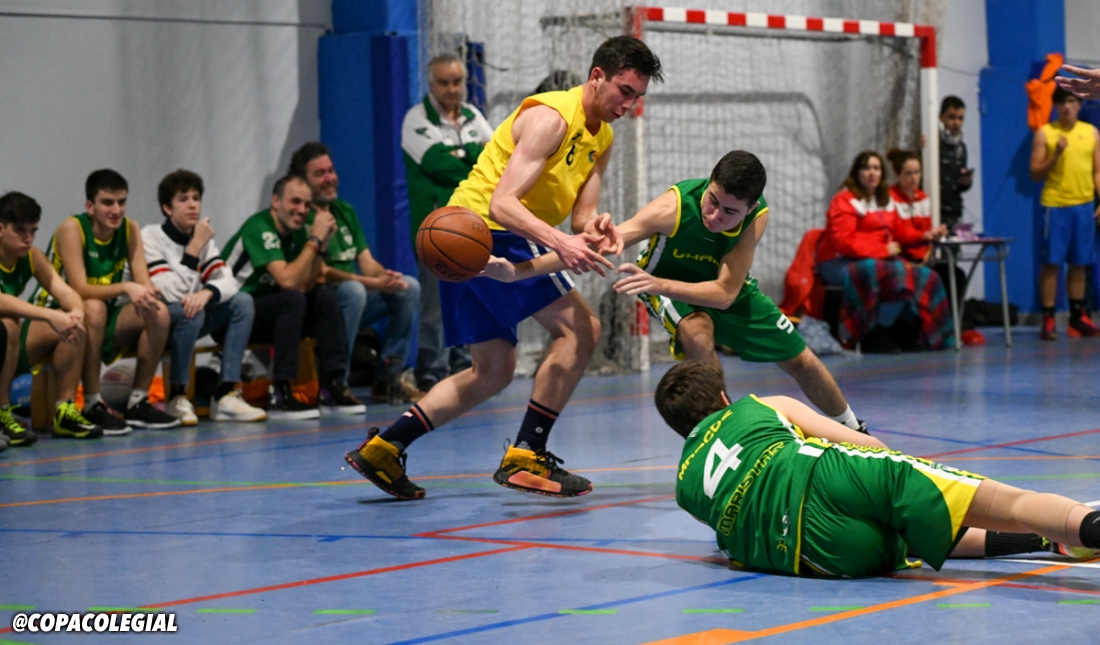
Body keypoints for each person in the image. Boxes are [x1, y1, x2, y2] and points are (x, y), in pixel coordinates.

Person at [344, 35, 662, 500]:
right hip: (483, 234)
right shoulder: (552, 118)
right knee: (582, 329)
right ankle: (527, 455)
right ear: (597, 77)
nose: (629, 105)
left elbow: (582, 217)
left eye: (638, 97)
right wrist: (560, 242)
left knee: (492, 371)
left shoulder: (604, 138)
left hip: (477, 239)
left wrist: (597, 227)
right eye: (624, 91)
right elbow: (504, 203)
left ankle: (384, 448)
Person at [488, 151, 868, 433]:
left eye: (729, 212)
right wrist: (517, 273)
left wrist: (659, 285)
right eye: (713, 200)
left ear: (750, 207)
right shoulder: (672, 208)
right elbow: (588, 248)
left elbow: (725, 293)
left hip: (715, 286)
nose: (714, 216)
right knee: (698, 334)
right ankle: (726, 434)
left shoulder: (757, 216)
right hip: (664, 285)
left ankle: (853, 428)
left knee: (802, 361)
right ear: (710, 182)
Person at [655, 360, 1100, 578]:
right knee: (1005, 502)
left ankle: (1043, 540)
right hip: (825, 477)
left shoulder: (684, 487)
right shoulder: (757, 405)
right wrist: (896, 472)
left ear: (681, 430)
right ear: (724, 400)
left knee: (907, 532)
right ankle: (1083, 526)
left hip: (821, 555)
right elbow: (860, 444)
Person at [34, 169, 178, 434]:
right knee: (94, 307)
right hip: (56, 315)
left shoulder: (130, 228)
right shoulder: (72, 228)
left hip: (100, 315)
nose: (116, 210)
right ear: (90, 206)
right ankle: (92, 403)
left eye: (121, 202)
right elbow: (79, 288)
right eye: (108, 203)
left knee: (157, 311)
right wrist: (126, 287)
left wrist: (150, 292)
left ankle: (138, 402)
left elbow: (142, 282)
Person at [289, 142, 420, 408]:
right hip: (318, 306)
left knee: (409, 288)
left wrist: (387, 277)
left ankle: (387, 380)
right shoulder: (301, 217)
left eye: (331, 170)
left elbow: (367, 262)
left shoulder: (343, 210)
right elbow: (321, 274)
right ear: (303, 181)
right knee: (354, 292)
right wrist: (372, 282)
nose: (329, 178)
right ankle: (336, 382)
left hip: (352, 300)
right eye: (320, 174)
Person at [222, 174, 361, 418]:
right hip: (232, 316)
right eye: (295, 202)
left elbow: (307, 284)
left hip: (269, 312)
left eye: (306, 204)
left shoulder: (297, 233)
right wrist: (314, 239)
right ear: (276, 201)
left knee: (325, 298)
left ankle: (331, 384)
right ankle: (281, 391)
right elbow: (287, 281)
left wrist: (322, 246)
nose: (302, 210)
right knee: (291, 300)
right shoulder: (259, 227)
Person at [401, 54, 494, 392]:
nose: (452, 89)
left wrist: (464, 155)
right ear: (431, 85)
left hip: (474, 226)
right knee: (435, 305)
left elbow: (495, 159)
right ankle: (431, 369)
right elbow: (438, 164)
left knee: (470, 299)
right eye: (444, 83)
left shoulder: (473, 115)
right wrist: (472, 155)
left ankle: (465, 365)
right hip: (436, 229)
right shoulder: (416, 119)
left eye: (457, 82)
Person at [143, 170, 265, 424]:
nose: (192, 205)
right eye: (183, 199)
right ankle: (177, 396)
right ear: (167, 208)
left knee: (242, 302)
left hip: (190, 316)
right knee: (190, 310)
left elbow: (229, 282)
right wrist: (195, 247)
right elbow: (170, 293)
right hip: (157, 321)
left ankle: (226, 394)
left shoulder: (203, 241)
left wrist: (207, 293)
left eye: (196, 198)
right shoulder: (151, 237)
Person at [816, 151, 952, 352]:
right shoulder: (844, 200)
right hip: (838, 262)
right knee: (895, 274)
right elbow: (843, 241)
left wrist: (925, 236)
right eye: (867, 168)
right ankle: (875, 333)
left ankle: (906, 332)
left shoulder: (884, 201)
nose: (872, 173)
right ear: (857, 172)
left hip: (878, 260)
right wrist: (881, 250)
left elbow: (899, 233)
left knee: (926, 276)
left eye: (876, 168)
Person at [0, 192, 87, 443]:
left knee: (74, 325)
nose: (28, 238)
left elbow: (66, 292)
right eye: (20, 231)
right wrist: (49, 315)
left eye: (33, 231)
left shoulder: (33, 257)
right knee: (9, 324)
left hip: (7, 345)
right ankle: (3, 413)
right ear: (1, 229)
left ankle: (65, 411)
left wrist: (76, 313)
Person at [887, 150, 984, 346]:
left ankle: (958, 328)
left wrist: (935, 234)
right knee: (930, 278)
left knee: (956, 275)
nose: (913, 178)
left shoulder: (923, 198)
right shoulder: (890, 198)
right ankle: (929, 332)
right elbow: (898, 233)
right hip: (902, 258)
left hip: (924, 257)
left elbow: (925, 231)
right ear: (898, 175)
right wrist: (923, 237)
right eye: (908, 173)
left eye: (917, 173)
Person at [1029, 87, 1100, 340]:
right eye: (1061, 103)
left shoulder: (1091, 133)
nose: (1067, 107)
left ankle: (1078, 316)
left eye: (1071, 101)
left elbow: (1097, 171)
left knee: (1080, 263)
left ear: (1079, 105)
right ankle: (1048, 318)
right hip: (1055, 206)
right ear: (1055, 107)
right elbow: (1035, 172)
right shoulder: (1045, 134)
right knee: (1051, 263)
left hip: (1084, 206)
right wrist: (1056, 154)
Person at [938, 96, 974, 229]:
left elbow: (960, 184)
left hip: (954, 209)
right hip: (936, 209)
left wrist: (966, 182)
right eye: (951, 117)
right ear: (941, 117)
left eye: (960, 118)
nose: (956, 123)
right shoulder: (933, 144)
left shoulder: (961, 148)